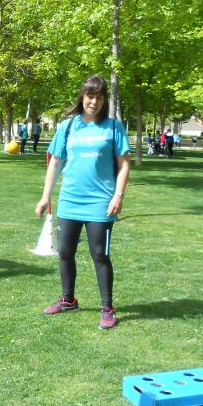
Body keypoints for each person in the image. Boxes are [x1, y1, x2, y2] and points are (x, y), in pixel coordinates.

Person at [35, 75, 130, 330]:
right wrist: (46, 196)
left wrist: (118, 195)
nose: (94, 102)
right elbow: (55, 162)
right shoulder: (68, 127)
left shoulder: (113, 127)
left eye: (100, 97)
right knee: (65, 253)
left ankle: (108, 308)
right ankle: (68, 300)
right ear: (82, 97)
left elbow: (124, 164)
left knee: (100, 254)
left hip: (101, 203)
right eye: (90, 96)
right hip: (70, 201)